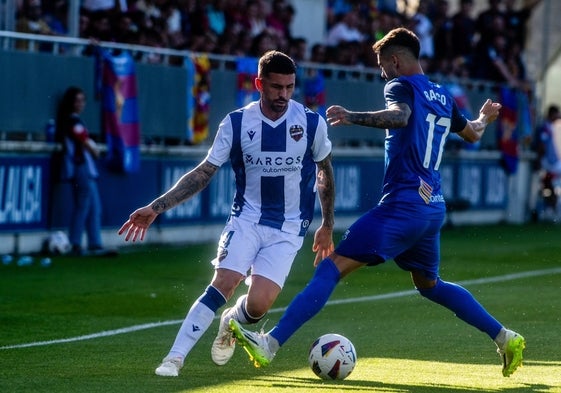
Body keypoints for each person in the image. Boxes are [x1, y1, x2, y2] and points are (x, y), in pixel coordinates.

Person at [229, 27, 526, 378]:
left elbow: (400, 117)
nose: (382, 73)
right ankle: (505, 337)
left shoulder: (399, 86)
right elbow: (473, 133)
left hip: (403, 205)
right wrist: (484, 118)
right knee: (429, 285)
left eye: (383, 65)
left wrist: (352, 116)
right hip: (432, 208)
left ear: (396, 61)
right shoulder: (444, 96)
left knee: (331, 266)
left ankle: (271, 343)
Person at [118, 50, 335, 377]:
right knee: (225, 281)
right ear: (259, 83)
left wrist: (327, 224)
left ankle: (231, 321)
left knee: (260, 305)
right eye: (276, 87)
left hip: (289, 228)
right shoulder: (236, 123)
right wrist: (157, 207)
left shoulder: (310, 123)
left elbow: (325, 171)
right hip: (246, 219)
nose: (284, 95)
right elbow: (204, 173)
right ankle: (174, 358)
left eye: (290, 88)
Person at [54, 86, 105, 256]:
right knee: (84, 205)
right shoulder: (71, 121)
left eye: (82, 100)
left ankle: (95, 243)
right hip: (80, 167)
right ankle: (76, 242)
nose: (80, 104)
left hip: (86, 168)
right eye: (77, 100)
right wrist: (95, 151)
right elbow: (83, 140)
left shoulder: (74, 120)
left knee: (94, 206)